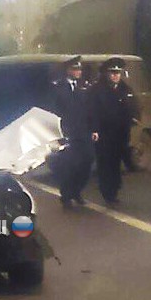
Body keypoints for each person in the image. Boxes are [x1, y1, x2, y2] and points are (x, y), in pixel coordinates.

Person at [51, 56, 99, 208]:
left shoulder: (81, 88)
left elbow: (88, 111)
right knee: (70, 166)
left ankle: (77, 190)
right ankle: (66, 195)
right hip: (68, 134)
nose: (78, 72)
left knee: (87, 161)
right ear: (68, 70)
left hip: (83, 132)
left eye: (79, 69)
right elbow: (55, 112)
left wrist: (93, 129)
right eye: (75, 69)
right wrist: (59, 134)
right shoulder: (58, 89)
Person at [90, 57, 138, 205]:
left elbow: (133, 107)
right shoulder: (97, 90)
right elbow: (92, 112)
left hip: (120, 133)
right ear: (106, 73)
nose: (115, 75)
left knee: (116, 163)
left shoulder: (125, 89)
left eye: (118, 72)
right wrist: (94, 129)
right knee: (105, 163)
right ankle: (107, 192)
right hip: (104, 134)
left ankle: (114, 190)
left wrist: (134, 118)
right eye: (112, 72)